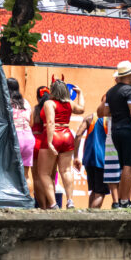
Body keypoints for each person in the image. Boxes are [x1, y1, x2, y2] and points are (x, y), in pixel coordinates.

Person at [99, 61, 131, 209]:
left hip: (115, 130)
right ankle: (124, 200)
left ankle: (120, 200)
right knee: (129, 165)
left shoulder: (110, 92)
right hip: (128, 129)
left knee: (123, 165)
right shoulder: (130, 91)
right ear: (130, 74)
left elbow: (106, 113)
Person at [38, 80, 86, 210]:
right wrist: (80, 93)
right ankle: (70, 200)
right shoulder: (70, 103)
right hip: (67, 135)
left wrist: (49, 142)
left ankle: (53, 204)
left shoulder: (49, 103)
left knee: (44, 173)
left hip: (54, 135)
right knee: (66, 170)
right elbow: (81, 109)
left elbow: (50, 122)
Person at [8, 78, 34, 184]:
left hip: (14, 137)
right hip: (28, 137)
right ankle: (29, 199)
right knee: (26, 175)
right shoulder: (26, 103)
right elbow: (31, 123)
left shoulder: (7, 102)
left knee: (10, 173)